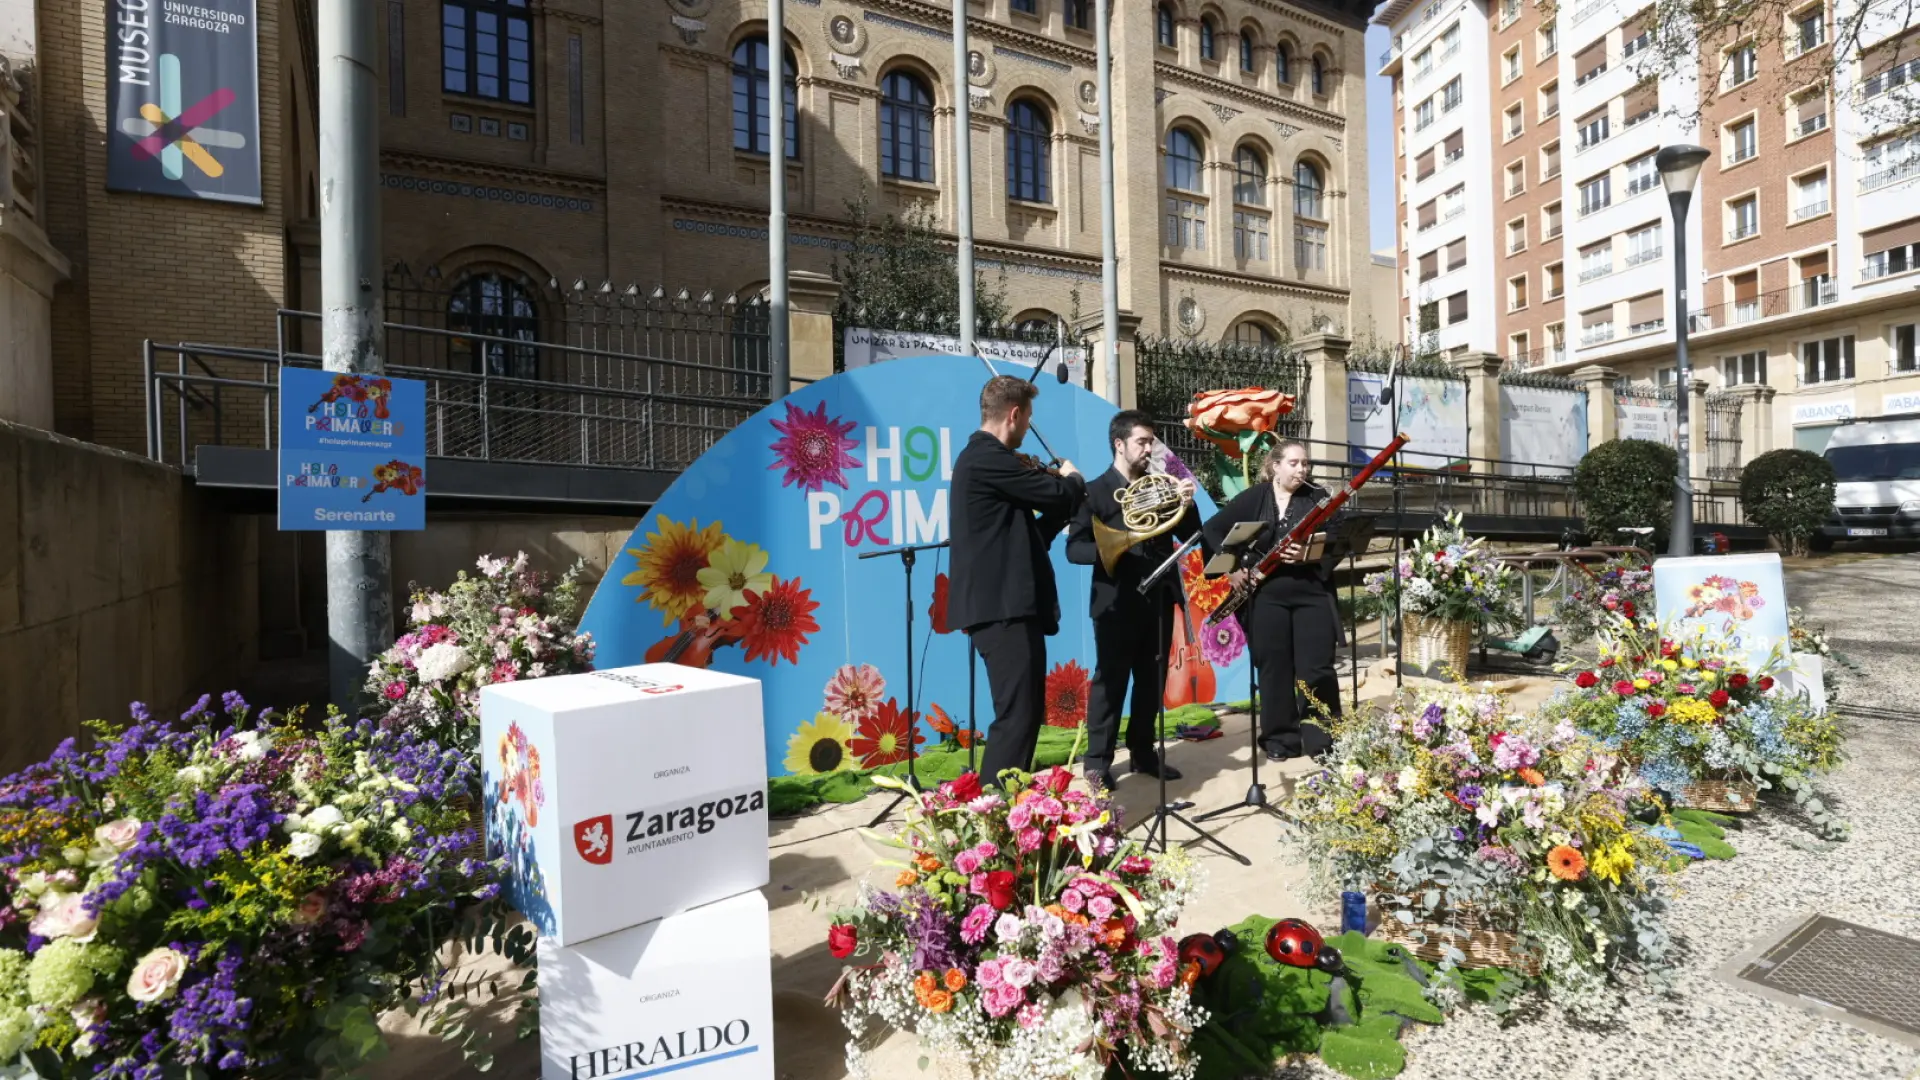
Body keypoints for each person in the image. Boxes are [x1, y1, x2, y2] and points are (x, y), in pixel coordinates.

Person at [949, 375, 1087, 787]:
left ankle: (1009, 804)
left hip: (1010, 608)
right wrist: (1073, 481)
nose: (1028, 428)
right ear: (1014, 414)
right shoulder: (987, 458)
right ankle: (993, 810)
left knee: (1025, 712)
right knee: (1016, 715)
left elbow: (1034, 538)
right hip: (1001, 609)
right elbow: (1060, 492)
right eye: (1028, 418)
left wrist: (1065, 504)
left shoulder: (991, 463)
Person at [1065, 410, 1199, 790]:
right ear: (1119, 444)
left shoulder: (1163, 485)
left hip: (1158, 597)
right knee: (1111, 683)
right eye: (1142, 441)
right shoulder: (1094, 492)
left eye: (1152, 441)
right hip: (1116, 601)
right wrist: (1118, 544)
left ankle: (1143, 752)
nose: (1149, 448)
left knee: (1151, 681)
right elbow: (1075, 549)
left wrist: (1187, 503)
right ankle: (1097, 763)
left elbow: (1192, 533)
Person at [1201, 439, 1344, 761]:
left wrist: (1307, 553)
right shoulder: (1256, 496)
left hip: (1312, 596)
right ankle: (1281, 739)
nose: (1301, 469)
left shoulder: (1319, 498)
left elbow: (1337, 537)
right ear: (1275, 466)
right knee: (1274, 669)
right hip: (1267, 598)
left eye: (1305, 464)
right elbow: (1213, 529)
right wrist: (1233, 569)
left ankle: (1323, 739)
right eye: (1294, 463)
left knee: (1316, 668)